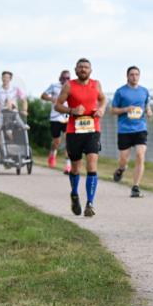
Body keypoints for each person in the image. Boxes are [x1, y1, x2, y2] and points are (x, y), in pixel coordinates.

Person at [54, 58, 106, 217]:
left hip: (93, 130)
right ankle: (74, 194)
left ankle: (90, 203)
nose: (83, 69)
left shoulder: (96, 84)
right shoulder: (69, 85)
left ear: (91, 70)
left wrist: (101, 109)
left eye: (86, 67)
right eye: (81, 67)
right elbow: (57, 105)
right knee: (76, 168)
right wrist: (71, 111)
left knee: (91, 165)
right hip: (74, 132)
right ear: (76, 70)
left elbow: (103, 99)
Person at [111, 66, 152, 198]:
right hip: (124, 130)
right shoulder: (120, 92)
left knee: (140, 155)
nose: (134, 77)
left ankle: (135, 187)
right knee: (124, 159)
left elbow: (146, 105)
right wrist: (126, 109)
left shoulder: (144, 91)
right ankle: (121, 169)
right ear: (127, 76)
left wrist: (149, 111)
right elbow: (113, 110)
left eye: (136, 74)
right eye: (132, 75)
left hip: (140, 128)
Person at [41, 70, 72, 173]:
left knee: (69, 141)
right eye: (64, 78)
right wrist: (51, 98)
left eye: (68, 78)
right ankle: (53, 153)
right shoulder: (54, 86)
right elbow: (43, 95)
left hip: (68, 117)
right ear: (60, 78)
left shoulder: (72, 87)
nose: (66, 80)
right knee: (56, 142)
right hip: (55, 117)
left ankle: (68, 165)